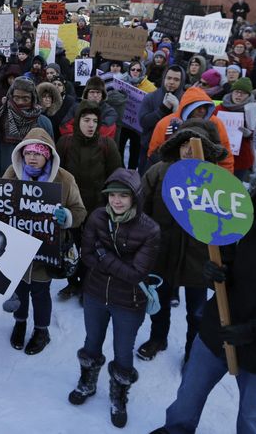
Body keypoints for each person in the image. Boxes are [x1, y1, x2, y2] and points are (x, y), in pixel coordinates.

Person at [151, 182, 256, 434]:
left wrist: (252, 332)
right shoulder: (242, 227)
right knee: (189, 394)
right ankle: (176, 430)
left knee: (254, 416)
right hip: (218, 330)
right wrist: (215, 273)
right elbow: (225, 264)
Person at [71, 169, 160, 429]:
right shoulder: (98, 217)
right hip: (96, 293)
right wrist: (105, 258)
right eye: (112, 195)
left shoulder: (150, 230)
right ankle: (87, 382)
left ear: (135, 197)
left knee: (123, 351)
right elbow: (87, 255)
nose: (117, 201)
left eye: (124, 195)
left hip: (129, 302)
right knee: (91, 341)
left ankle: (118, 396)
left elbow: (136, 274)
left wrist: (104, 256)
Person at [137, 121, 229, 363]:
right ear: (177, 146)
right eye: (184, 143)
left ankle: (192, 351)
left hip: (199, 259)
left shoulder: (216, 180)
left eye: (195, 144)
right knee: (160, 302)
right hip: (162, 253)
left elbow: (228, 223)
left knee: (197, 312)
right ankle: (158, 338)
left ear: (206, 150)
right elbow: (140, 211)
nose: (189, 149)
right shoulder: (158, 172)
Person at [3, 127, 86, 355]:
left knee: (40, 292)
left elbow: (80, 211)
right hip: (17, 248)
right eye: (28, 152)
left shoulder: (65, 179)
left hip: (46, 250)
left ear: (48, 155)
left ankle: (42, 330)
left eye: (38, 153)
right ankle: (20, 323)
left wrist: (66, 217)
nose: (32, 157)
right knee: (20, 289)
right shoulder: (12, 172)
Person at [56, 101, 123, 299]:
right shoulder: (65, 143)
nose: (91, 125)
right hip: (71, 206)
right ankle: (72, 282)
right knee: (70, 245)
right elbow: (56, 174)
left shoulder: (107, 144)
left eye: (95, 121)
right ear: (78, 122)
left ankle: (87, 285)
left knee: (91, 247)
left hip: (97, 206)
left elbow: (116, 175)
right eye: (86, 120)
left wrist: (109, 205)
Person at [147, 87, 234, 173]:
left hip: (205, 178)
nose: (202, 110)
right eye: (198, 107)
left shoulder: (216, 124)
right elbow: (154, 154)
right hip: (172, 176)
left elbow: (225, 157)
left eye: (205, 106)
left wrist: (224, 180)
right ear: (187, 107)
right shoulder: (165, 124)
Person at [0, 77, 54, 177]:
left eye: (25, 98)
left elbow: (51, 156)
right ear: (11, 97)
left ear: (33, 99)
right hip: (5, 181)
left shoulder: (44, 123)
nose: (20, 102)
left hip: (37, 182)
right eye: (16, 98)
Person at [213, 77, 256, 180]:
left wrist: (250, 134)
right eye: (236, 92)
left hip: (242, 158)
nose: (239, 95)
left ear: (249, 95)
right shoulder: (219, 108)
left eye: (243, 93)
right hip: (220, 155)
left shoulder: (255, 109)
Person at [138, 65, 185, 171]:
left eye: (176, 79)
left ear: (181, 82)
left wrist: (177, 110)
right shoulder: (151, 97)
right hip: (149, 150)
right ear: (164, 78)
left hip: (175, 153)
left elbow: (188, 127)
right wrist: (162, 109)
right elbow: (143, 122)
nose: (171, 82)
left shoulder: (185, 100)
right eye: (169, 78)